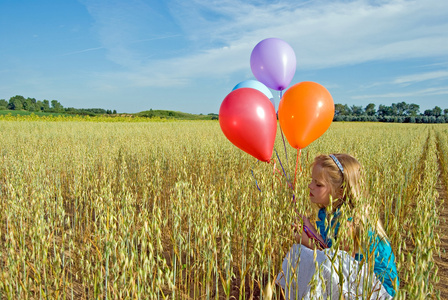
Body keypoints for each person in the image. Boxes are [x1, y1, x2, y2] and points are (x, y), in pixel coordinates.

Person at [276, 153, 399, 299]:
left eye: (318, 184)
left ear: (341, 191)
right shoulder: (328, 212)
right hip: (356, 278)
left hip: (376, 289)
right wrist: (309, 228)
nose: (310, 186)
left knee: (304, 255)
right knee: (300, 253)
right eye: (311, 181)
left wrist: (307, 241)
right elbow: (329, 248)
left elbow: (336, 264)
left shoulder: (349, 222)